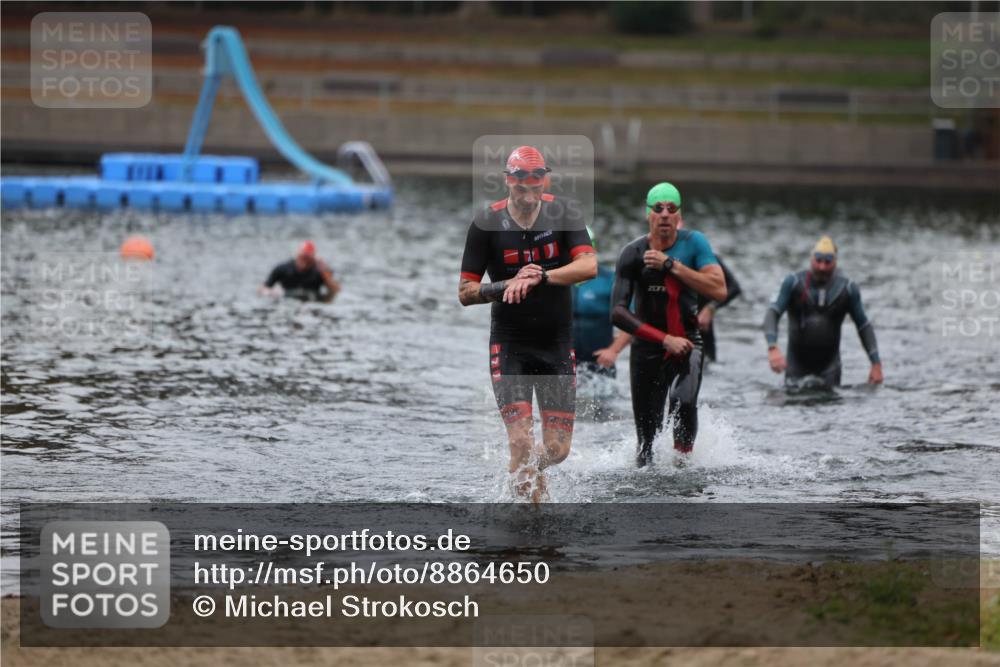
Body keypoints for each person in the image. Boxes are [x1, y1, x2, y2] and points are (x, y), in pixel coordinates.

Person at [459, 146, 597, 502]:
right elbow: (465, 292)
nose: (527, 185)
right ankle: (523, 527)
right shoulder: (485, 223)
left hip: (555, 342)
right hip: (509, 344)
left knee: (557, 449)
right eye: (519, 177)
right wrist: (507, 284)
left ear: (545, 180)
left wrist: (541, 278)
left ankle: (527, 484)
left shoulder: (564, 213)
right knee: (520, 441)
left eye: (535, 177)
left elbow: (588, 267)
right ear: (508, 179)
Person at [610, 182, 727, 467]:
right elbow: (617, 313)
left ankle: (682, 467)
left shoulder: (694, 243)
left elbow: (719, 289)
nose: (664, 213)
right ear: (647, 214)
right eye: (658, 208)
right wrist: (663, 339)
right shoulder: (632, 254)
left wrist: (671, 266)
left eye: (671, 208)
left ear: (679, 216)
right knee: (646, 445)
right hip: (648, 349)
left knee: (682, 400)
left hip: (688, 344)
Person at [764, 236, 883, 388]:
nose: (822, 267)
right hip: (796, 368)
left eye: (828, 262)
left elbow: (863, 325)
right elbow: (772, 313)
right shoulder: (793, 283)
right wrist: (772, 347)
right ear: (811, 259)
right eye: (818, 260)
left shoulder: (847, 289)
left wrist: (876, 363)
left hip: (830, 370)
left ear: (835, 262)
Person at [596, 253, 741, 368]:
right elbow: (631, 311)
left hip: (698, 333)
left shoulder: (705, 258)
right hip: (661, 339)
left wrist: (710, 309)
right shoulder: (648, 261)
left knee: (702, 379)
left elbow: (733, 288)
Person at [260, 240, 340, 302]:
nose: (304, 261)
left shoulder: (319, 271)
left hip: (312, 300)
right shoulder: (283, 268)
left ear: (313, 258)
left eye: (307, 258)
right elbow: (264, 288)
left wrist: (324, 272)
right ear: (298, 254)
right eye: (302, 257)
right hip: (288, 299)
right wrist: (270, 293)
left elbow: (335, 291)